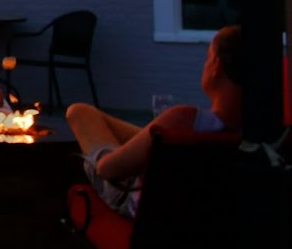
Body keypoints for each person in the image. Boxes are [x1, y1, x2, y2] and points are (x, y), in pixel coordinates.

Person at [66, 24, 242, 217]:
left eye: (208, 57)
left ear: (216, 66)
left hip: (140, 209)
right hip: (201, 218)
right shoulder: (252, 130)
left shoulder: (186, 119)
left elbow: (108, 171)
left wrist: (105, 159)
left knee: (79, 112)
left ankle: (135, 148)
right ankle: (140, 146)